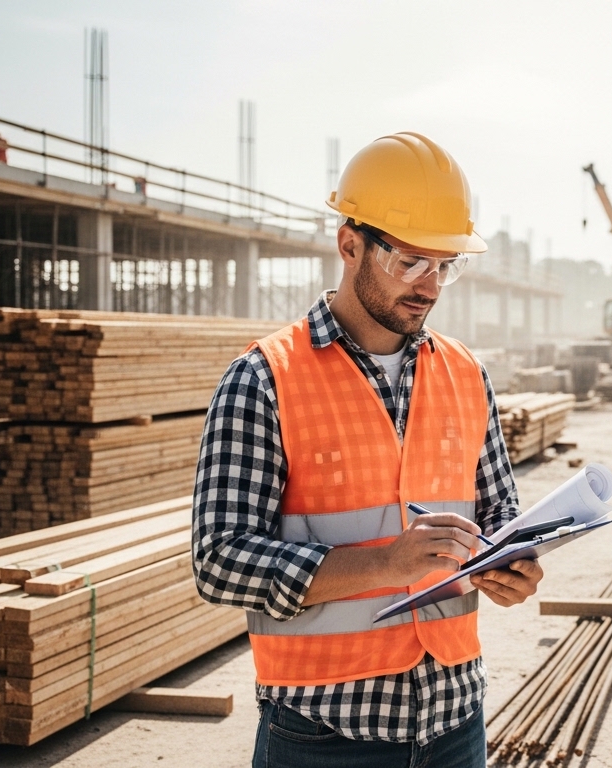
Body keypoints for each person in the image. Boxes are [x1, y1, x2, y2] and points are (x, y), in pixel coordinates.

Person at [192, 132, 542, 768]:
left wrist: (509, 569)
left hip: (454, 721)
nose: (429, 285)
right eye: (408, 260)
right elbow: (219, 561)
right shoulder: (264, 378)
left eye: (444, 265)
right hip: (322, 734)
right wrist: (386, 565)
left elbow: (500, 522)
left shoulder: (466, 374)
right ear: (349, 244)